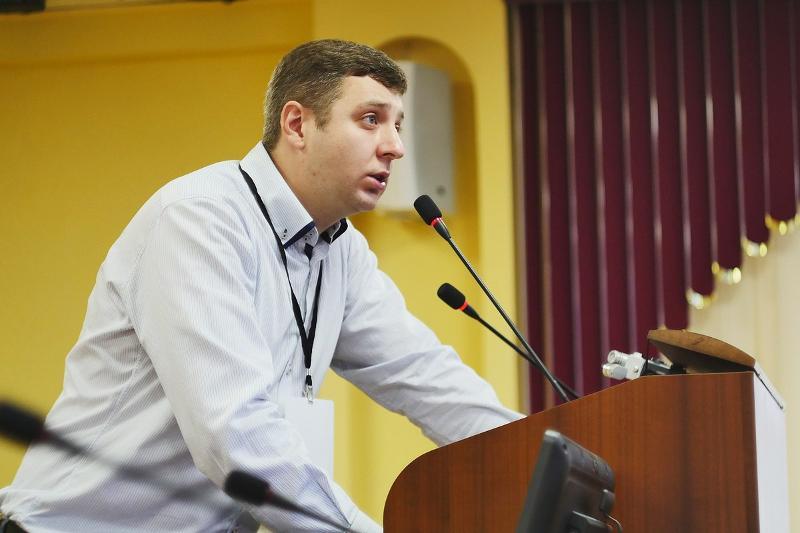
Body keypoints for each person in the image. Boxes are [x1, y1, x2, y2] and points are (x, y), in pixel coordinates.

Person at [0, 39, 522, 532]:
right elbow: (235, 433)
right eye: (371, 120)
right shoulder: (201, 220)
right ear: (297, 124)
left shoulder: (341, 250)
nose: (395, 147)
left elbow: (423, 375)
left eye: (397, 125)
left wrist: (543, 458)